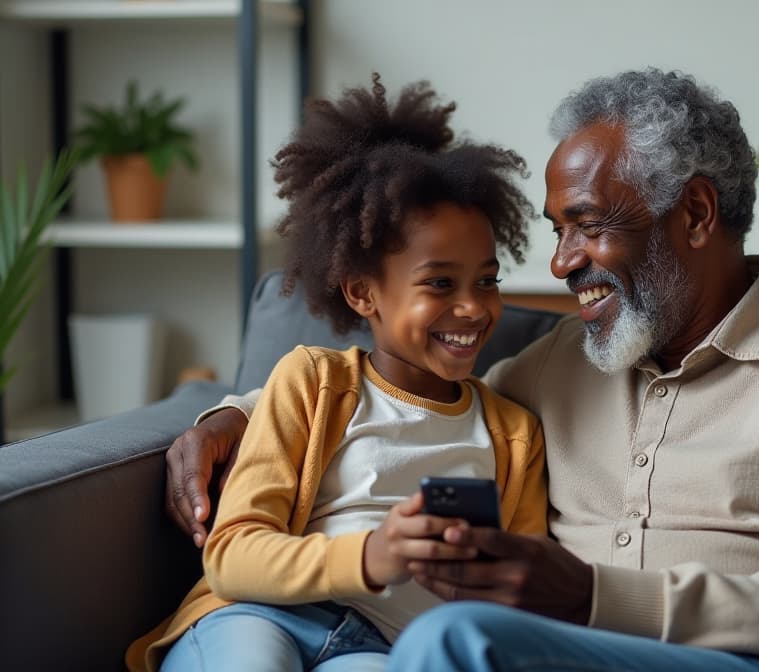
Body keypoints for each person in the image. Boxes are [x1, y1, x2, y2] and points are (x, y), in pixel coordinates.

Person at [164, 69, 759, 672]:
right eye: (554, 231)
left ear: (693, 214)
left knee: (454, 638)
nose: (561, 262)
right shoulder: (567, 364)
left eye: (585, 226)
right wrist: (230, 416)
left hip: (747, 662)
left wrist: (590, 596)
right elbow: (409, 395)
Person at [126, 74, 548, 672]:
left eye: (487, 280)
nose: (474, 307)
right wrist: (373, 555)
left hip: (385, 649)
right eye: (439, 283)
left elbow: (523, 596)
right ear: (361, 294)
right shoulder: (312, 383)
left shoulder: (513, 435)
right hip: (258, 612)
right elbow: (233, 554)